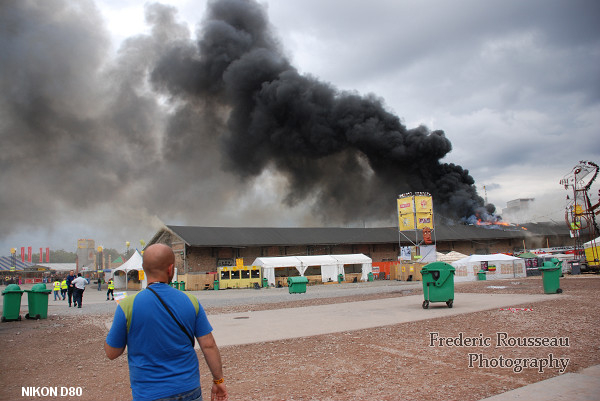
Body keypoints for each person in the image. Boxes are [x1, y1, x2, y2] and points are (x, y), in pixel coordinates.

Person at [105, 244, 228, 401]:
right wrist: (218, 381)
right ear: (170, 269)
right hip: (189, 389)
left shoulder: (127, 306)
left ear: (144, 269)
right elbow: (208, 345)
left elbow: (112, 352)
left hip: (149, 393)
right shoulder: (191, 301)